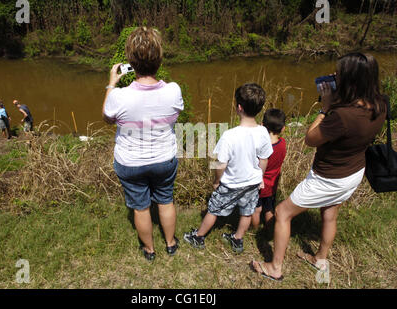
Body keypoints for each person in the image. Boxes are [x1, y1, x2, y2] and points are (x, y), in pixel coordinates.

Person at [252, 53, 387, 281]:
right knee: (330, 213)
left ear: (352, 79)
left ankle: (275, 268)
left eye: (340, 72)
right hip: (353, 172)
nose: (335, 74)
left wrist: (325, 108)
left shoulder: (342, 116)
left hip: (328, 177)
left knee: (283, 213)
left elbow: (311, 138)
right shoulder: (380, 104)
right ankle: (320, 259)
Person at [102, 27, 184, 261]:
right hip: (164, 159)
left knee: (140, 207)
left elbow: (107, 118)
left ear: (131, 62)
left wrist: (111, 84)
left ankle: (149, 250)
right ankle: (170, 243)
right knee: (166, 200)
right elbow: (174, 110)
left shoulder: (119, 96)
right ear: (159, 59)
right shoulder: (173, 90)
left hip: (130, 162)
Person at [183, 83, 273, 254]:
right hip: (252, 182)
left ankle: (199, 236)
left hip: (230, 183)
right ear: (260, 108)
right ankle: (238, 239)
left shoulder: (229, 135)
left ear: (238, 107)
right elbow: (264, 159)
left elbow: (220, 164)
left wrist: (217, 181)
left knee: (214, 210)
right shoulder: (263, 132)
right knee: (246, 212)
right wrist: (260, 177)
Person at [252, 109, 287, 230]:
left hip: (257, 184)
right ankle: (269, 231)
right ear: (283, 128)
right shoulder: (283, 144)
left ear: (262, 126)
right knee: (269, 209)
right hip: (272, 185)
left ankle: (254, 229)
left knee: (256, 210)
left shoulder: (260, 147)